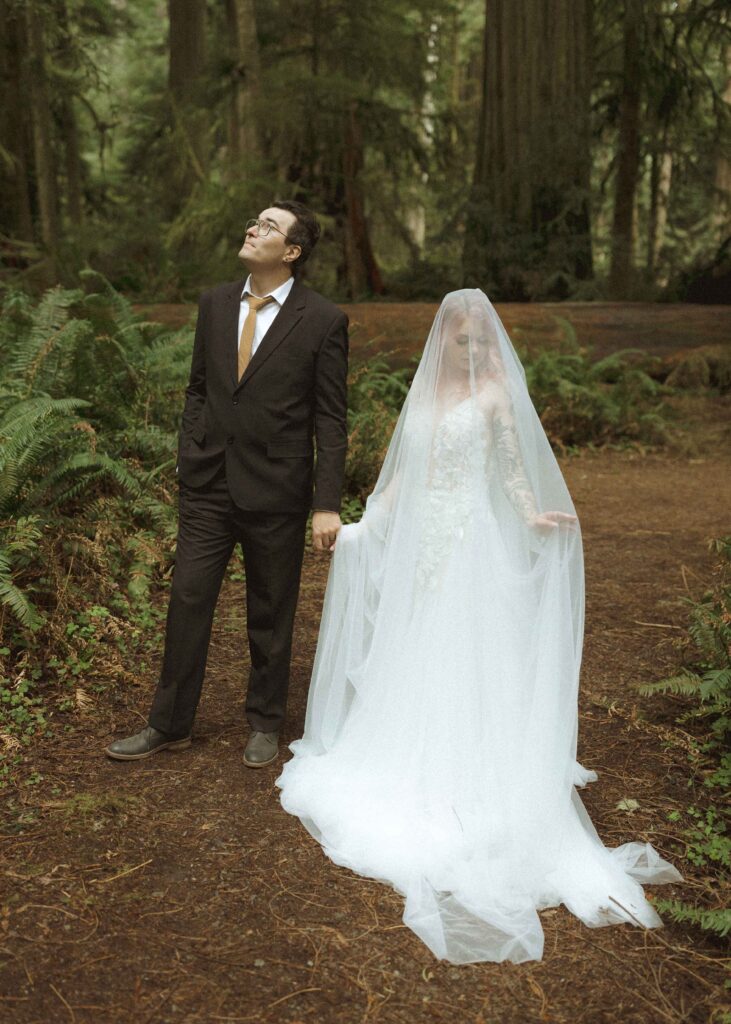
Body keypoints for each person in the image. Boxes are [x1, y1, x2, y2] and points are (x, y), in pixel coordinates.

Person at [276, 289, 681, 964]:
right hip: (421, 544)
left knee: (468, 649)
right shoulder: (424, 401)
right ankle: (409, 748)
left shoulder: (494, 396)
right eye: (461, 342)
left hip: (471, 545)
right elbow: (402, 479)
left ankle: (470, 770)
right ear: (445, 343)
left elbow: (512, 471)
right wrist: (365, 529)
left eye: (480, 343)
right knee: (412, 647)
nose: (472, 353)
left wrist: (530, 515)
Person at [106, 201, 348, 768]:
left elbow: (330, 418)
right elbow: (198, 388)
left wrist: (326, 503)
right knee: (188, 599)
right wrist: (190, 450)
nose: (253, 228)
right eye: (254, 221)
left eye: (268, 227)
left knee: (270, 608)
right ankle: (168, 723)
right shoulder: (215, 303)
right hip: (209, 483)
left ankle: (265, 721)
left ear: (292, 251)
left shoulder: (323, 319)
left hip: (278, 488)